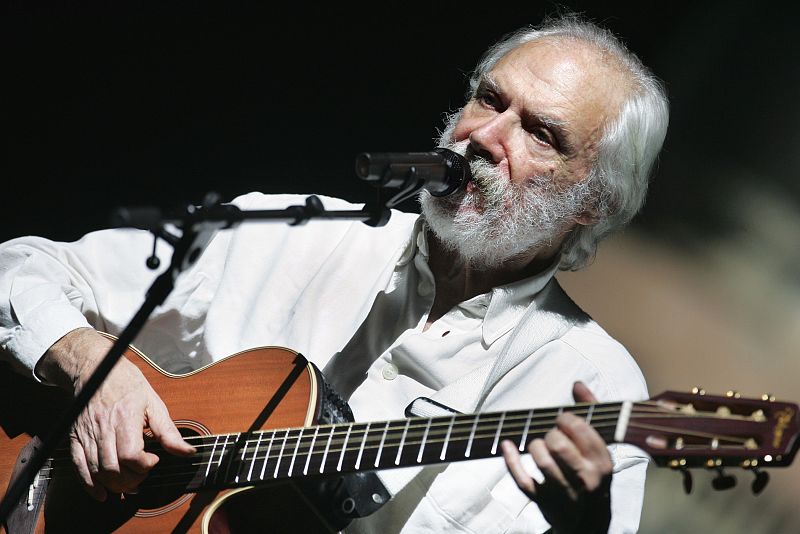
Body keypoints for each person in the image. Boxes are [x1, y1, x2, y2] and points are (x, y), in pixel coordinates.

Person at [0, 14, 668, 534]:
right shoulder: (287, 234)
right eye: (489, 99)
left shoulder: (596, 389)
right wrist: (91, 364)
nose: (487, 137)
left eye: (540, 134)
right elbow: (18, 267)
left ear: (593, 204)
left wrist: (582, 524)